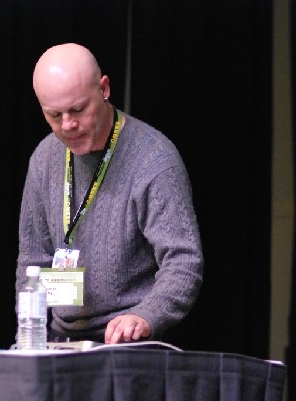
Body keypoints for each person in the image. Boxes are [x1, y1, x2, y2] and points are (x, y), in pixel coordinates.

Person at [16, 43, 203, 345]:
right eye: (54, 115)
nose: (68, 125)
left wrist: (146, 316)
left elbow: (183, 261)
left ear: (104, 89)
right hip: (58, 339)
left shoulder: (154, 159)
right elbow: (32, 262)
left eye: (78, 109)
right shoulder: (44, 158)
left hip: (127, 344)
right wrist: (28, 339)